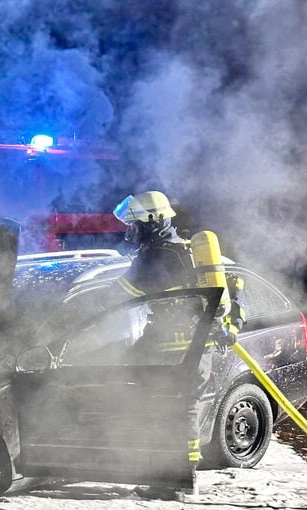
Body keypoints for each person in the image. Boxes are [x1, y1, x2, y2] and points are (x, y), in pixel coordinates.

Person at [102, 190, 243, 489]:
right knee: (181, 408)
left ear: (153, 222)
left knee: (165, 409)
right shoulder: (182, 249)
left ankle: (172, 480)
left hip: (170, 349)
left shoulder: (158, 255)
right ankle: (178, 476)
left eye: (134, 224)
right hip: (193, 346)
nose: (131, 231)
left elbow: (118, 295)